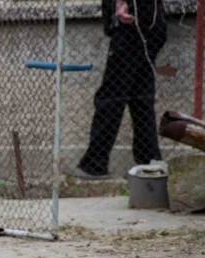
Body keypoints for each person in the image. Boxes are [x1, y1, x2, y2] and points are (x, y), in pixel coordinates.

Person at [69, 0, 167, 179]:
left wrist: (121, 3)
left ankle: (94, 163)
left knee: (112, 97)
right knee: (140, 98)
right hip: (148, 25)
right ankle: (150, 162)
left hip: (131, 24)